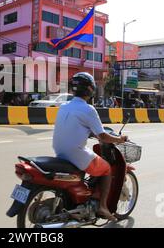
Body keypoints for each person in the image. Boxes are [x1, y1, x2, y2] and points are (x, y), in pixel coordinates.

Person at [53, 72, 127, 222]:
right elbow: (103, 136)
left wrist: (88, 133)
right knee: (106, 168)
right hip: (75, 153)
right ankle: (103, 207)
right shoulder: (88, 109)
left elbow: (73, 128)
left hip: (59, 152)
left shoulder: (64, 106)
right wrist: (119, 139)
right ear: (90, 90)